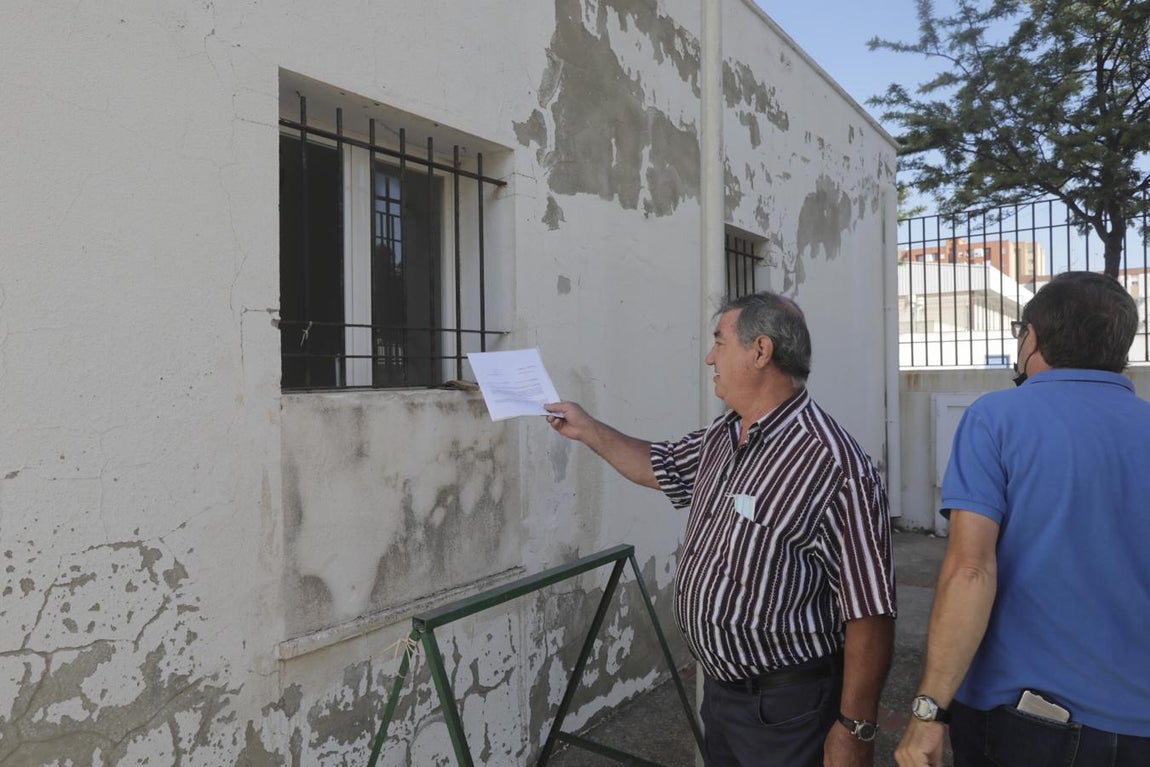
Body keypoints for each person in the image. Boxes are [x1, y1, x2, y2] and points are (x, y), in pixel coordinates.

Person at [546, 292, 896, 767]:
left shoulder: (832, 464)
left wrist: (855, 728)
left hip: (786, 710)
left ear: (760, 351)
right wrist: (586, 428)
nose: (710, 356)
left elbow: (870, 612)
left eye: (720, 342)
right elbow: (661, 465)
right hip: (722, 694)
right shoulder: (724, 435)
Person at [895, 271, 1150, 767]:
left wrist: (927, 716)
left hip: (1027, 724)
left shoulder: (996, 418)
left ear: (1031, 338)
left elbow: (971, 571)